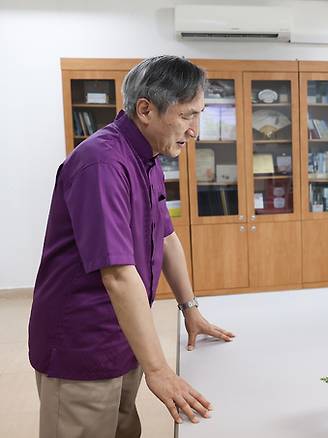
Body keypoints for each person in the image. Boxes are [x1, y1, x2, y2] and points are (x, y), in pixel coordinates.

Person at [28, 55, 235, 437]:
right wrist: (159, 371)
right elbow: (119, 275)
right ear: (145, 109)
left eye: (199, 114)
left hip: (125, 336)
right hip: (82, 343)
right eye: (188, 115)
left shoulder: (148, 157)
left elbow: (166, 237)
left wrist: (190, 309)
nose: (196, 130)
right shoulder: (102, 164)